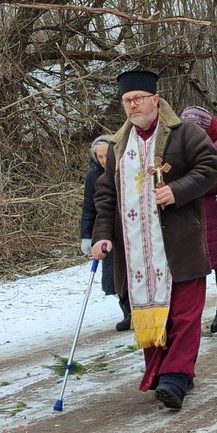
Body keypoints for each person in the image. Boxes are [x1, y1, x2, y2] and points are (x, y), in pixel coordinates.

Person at [91, 70, 217, 410]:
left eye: (137, 99)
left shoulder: (183, 133)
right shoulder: (120, 145)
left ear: (155, 99)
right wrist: (101, 235)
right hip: (136, 252)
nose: (132, 106)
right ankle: (168, 374)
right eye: (126, 101)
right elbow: (105, 194)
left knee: (183, 315)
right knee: (151, 316)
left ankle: (175, 378)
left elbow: (211, 168)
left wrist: (176, 191)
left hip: (178, 245)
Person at [180, 106, 217, 334]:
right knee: (193, 266)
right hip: (190, 213)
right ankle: (191, 314)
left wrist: (191, 184)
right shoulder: (181, 148)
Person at [79, 134, 120, 327]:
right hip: (104, 230)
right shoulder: (93, 176)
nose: (104, 161)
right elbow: (88, 208)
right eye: (100, 157)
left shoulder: (122, 168)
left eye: (107, 156)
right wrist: (87, 236)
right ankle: (126, 308)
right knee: (112, 274)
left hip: (126, 227)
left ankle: (133, 311)